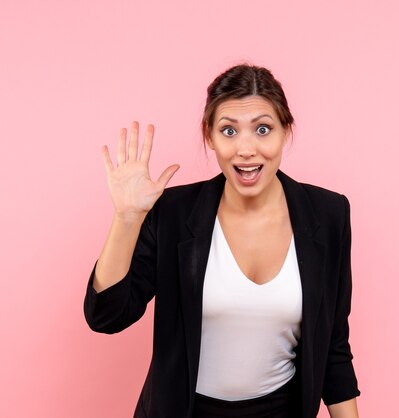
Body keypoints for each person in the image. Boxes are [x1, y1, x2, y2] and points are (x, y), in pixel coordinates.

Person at [83, 64, 361, 418]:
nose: (246, 149)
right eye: (229, 130)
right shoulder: (172, 213)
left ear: (285, 132)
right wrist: (127, 219)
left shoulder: (327, 214)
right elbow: (106, 317)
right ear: (210, 137)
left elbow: (333, 347)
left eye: (263, 129)